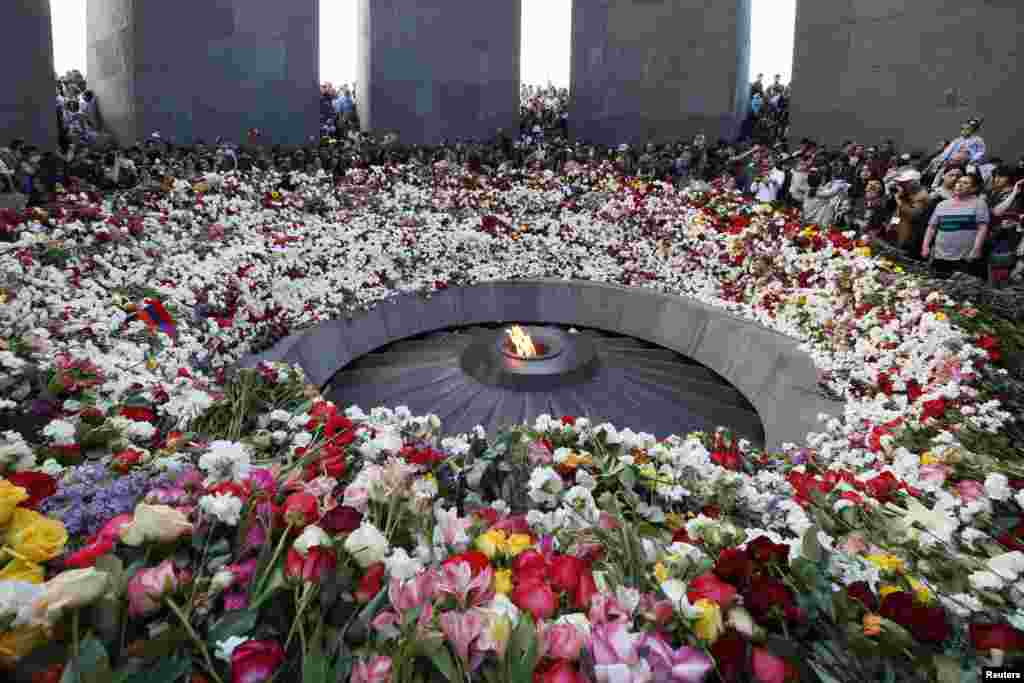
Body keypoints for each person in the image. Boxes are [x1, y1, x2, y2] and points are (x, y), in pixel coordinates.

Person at [921, 173, 990, 279]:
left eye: (965, 183)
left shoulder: (979, 204)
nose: (959, 185)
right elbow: (932, 227)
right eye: (958, 182)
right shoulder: (942, 204)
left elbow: (982, 228)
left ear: (974, 188)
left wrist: (976, 249)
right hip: (940, 254)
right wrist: (925, 246)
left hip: (964, 256)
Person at [888, 168, 931, 256]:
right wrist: (892, 224)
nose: (901, 184)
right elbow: (898, 211)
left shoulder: (922, 196)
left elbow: (913, 215)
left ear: (914, 182)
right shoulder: (906, 192)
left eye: (905, 182)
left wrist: (899, 201)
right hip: (899, 229)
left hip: (910, 234)